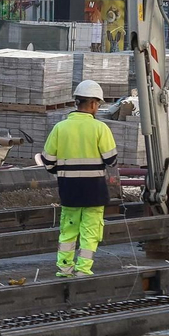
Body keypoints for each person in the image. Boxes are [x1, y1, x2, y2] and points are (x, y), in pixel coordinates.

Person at [39, 80, 120, 277]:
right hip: (94, 191)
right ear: (93, 104)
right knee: (90, 232)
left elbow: (48, 162)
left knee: (68, 231)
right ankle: (83, 270)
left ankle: (64, 269)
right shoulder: (100, 128)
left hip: (69, 190)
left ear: (77, 102)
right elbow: (111, 160)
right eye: (98, 104)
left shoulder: (60, 128)